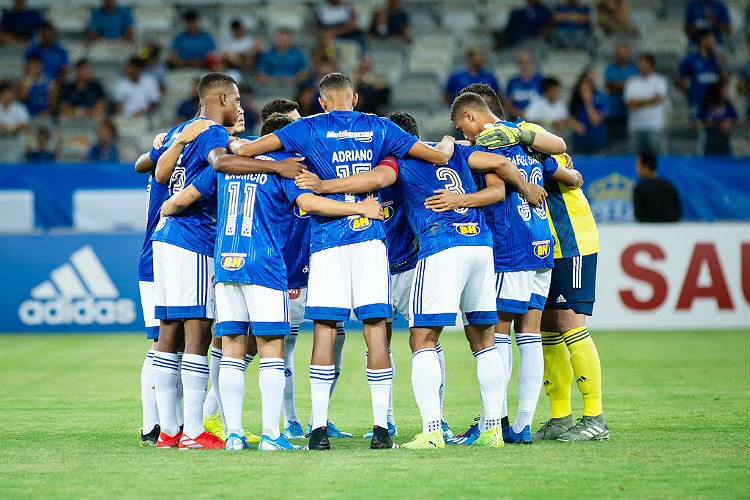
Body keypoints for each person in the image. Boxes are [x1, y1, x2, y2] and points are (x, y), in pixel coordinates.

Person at [227, 71, 458, 451]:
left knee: (324, 329)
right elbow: (438, 156)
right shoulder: (379, 127)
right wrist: (448, 139)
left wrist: (233, 137)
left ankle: (317, 430)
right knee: (375, 330)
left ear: (321, 102)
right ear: (353, 99)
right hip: (369, 239)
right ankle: (382, 429)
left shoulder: (307, 129)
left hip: (327, 242)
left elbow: (244, 152)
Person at [160, 112, 382, 451]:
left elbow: (177, 201)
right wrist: (360, 209)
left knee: (232, 347)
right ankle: (271, 435)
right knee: (271, 350)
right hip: (265, 265)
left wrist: (168, 213)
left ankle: (233, 435)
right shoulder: (286, 165)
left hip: (226, 265)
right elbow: (309, 203)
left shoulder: (229, 164)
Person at [146, 72, 305, 450]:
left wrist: (173, 141)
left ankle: (176, 431)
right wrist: (281, 168)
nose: (239, 109)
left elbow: (152, 170)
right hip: (209, 247)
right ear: (221, 98)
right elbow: (218, 164)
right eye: (235, 101)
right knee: (211, 337)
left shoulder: (190, 133)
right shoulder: (222, 141)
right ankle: (204, 431)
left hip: (186, 246)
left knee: (175, 336)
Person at [447, 92, 578, 445]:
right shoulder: (526, 137)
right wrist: (573, 175)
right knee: (530, 333)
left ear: (471, 117)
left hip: (510, 244)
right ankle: (521, 424)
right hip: (541, 243)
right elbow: (567, 174)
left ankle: (494, 420)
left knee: (498, 332)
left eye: (463, 128)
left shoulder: (491, 145)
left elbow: (495, 182)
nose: (466, 136)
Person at [132, 119, 211, 446]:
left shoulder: (169, 156)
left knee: (172, 342)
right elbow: (143, 164)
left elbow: (140, 163)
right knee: (162, 342)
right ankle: (155, 426)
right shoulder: (181, 162)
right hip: (163, 258)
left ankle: (170, 425)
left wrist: (162, 145)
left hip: (161, 255)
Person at [524, 139, 610, 442]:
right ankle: (560, 416)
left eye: (462, 127)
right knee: (547, 326)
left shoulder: (526, 135)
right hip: (546, 247)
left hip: (572, 243)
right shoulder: (492, 148)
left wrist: (560, 163)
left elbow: (569, 167)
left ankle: (595, 417)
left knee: (569, 323)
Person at [677, 29, 727, 121]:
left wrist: (720, 63)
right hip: (698, 104)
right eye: (711, 38)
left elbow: (725, 81)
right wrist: (690, 94)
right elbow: (679, 80)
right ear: (702, 40)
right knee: (701, 133)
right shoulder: (690, 60)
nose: (714, 42)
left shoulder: (716, 59)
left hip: (714, 105)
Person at [624, 53, 668, 154]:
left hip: (654, 126)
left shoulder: (660, 81)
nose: (642, 67)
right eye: (640, 64)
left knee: (656, 160)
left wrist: (638, 102)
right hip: (635, 127)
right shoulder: (632, 81)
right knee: (633, 160)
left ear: (651, 65)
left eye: (645, 64)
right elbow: (629, 104)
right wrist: (649, 101)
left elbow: (658, 99)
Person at [633, 151, 682, 222]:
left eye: (638, 165)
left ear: (646, 167)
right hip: (668, 230)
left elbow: (638, 215)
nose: (637, 169)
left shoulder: (639, 189)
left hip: (647, 231)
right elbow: (678, 213)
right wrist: (669, 225)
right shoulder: (669, 185)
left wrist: (652, 228)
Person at [569, 69, 608, 153]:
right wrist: (576, 126)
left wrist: (588, 102)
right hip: (579, 143)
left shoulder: (600, 97)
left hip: (596, 142)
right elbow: (570, 120)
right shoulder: (575, 100)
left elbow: (595, 121)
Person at [604, 43, 638, 137]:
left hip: (631, 113)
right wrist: (628, 84)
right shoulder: (611, 68)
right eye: (619, 53)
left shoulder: (634, 67)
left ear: (628, 54)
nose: (622, 56)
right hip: (613, 111)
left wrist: (618, 84)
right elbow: (609, 86)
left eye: (624, 53)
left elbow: (637, 87)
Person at [503, 49, 545, 120]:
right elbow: (507, 102)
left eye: (527, 62)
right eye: (521, 62)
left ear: (532, 62)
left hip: (536, 120)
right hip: (517, 120)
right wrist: (518, 114)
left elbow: (545, 100)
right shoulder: (512, 81)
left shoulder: (540, 80)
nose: (524, 65)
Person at [697, 82, 737, 155]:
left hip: (725, 144)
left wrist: (729, 122)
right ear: (716, 92)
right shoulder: (706, 107)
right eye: (723, 91)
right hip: (710, 143)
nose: (725, 93)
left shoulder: (727, 106)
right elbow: (695, 125)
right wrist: (707, 124)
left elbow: (738, 120)